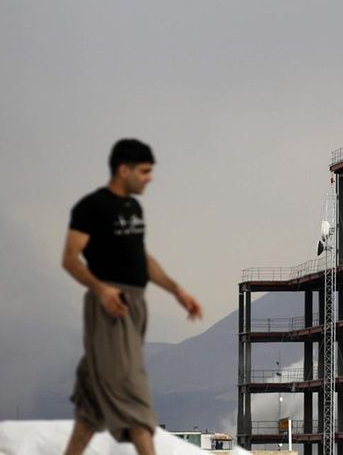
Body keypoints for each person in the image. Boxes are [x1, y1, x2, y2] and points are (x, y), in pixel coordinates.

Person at [60, 139, 203, 455]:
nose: (149, 178)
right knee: (133, 394)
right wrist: (102, 290)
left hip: (135, 304)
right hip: (111, 306)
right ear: (123, 170)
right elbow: (70, 258)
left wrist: (177, 291)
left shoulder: (133, 208)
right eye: (144, 171)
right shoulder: (91, 207)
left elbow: (141, 257)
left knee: (90, 408)